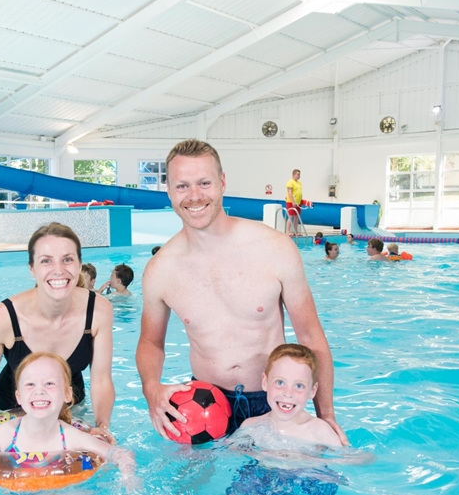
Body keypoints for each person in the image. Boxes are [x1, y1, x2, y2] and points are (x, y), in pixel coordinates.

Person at [136, 139, 346, 444]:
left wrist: (325, 414)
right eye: (182, 186)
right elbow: (150, 342)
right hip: (199, 406)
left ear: (222, 182)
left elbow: (311, 338)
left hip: (274, 401)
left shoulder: (275, 248)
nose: (194, 196)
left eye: (204, 183)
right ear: (169, 191)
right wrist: (151, 388)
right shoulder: (160, 270)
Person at [0, 222, 115, 452]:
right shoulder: (3, 318)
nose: (58, 270)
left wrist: (102, 425)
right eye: (46, 260)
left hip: (70, 406)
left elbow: (101, 380)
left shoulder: (98, 311)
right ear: (31, 268)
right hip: (11, 409)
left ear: (79, 265)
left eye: (67, 259)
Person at [0, 351, 135, 484]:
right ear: (19, 397)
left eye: (49, 383)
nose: (40, 391)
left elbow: (120, 454)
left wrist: (127, 480)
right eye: (30, 385)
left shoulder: (70, 436)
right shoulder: (6, 435)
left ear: (68, 395)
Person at [239, 344, 341, 447]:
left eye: (299, 385)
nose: (288, 394)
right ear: (265, 382)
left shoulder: (320, 431)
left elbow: (346, 459)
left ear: (312, 391)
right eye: (280, 382)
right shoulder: (251, 427)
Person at [284, 169, 311, 238]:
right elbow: (290, 193)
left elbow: (299, 193)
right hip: (291, 202)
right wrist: (293, 201)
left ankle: (296, 232)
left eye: (299, 174)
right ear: (294, 174)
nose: (299, 176)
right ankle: (287, 231)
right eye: (298, 174)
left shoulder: (299, 183)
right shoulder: (290, 182)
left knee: (296, 217)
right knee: (291, 216)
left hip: (298, 203)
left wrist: (300, 202)